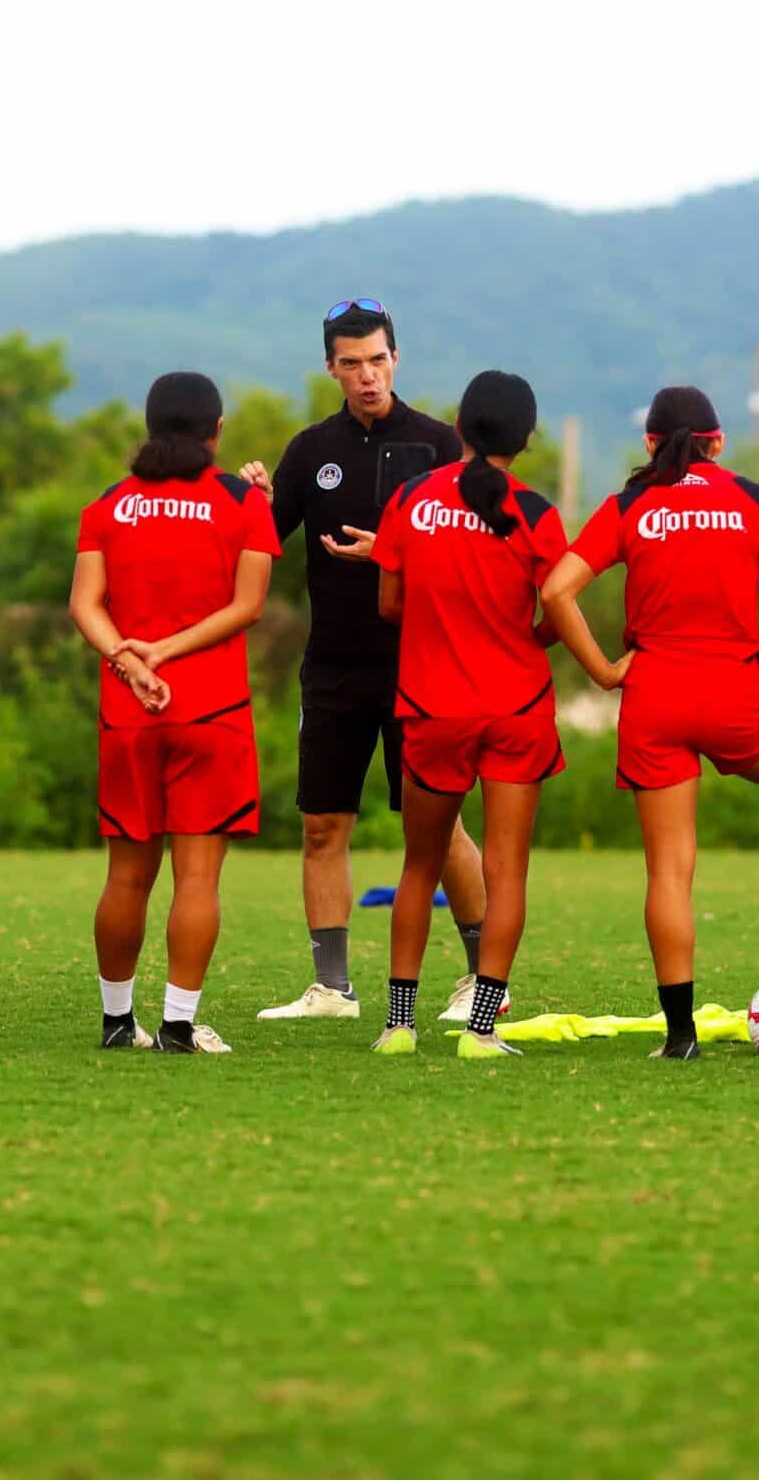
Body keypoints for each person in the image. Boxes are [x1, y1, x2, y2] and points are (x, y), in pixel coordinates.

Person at [540, 385, 759, 1058]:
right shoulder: (755, 500)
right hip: (736, 697)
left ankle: (680, 1037)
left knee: (670, 873)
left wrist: (602, 670)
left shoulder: (629, 504)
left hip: (654, 698)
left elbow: (557, 590)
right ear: (719, 441)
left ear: (650, 445)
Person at [247, 299, 492, 1025]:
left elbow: (479, 554)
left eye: (378, 359)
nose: (366, 375)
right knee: (323, 825)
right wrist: (249, 498)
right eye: (351, 362)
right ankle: (331, 988)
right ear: (331, 367)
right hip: (333, 668)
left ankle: (484, 980)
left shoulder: (442, 446)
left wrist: (391, 549)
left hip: (423, 666)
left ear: (397, 358)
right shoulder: (308, 449)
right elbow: (261, 538)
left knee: (438, 826)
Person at [365, 371, 580, 1058]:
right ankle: (482, 1028)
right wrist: (526, 636)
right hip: (516, 708)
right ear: (525, 439)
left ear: (459, 424)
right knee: (506, 872)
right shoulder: (538, 513)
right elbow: (559, 612)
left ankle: (399, 1025)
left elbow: (389, 606)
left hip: (432, 708)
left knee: (419, 867)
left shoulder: (411, 499)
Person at [70, 372, 277, 1053]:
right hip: (212, 711)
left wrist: (130, 662)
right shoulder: (244, 501)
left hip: (127, 715)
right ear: (216, 432)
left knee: (126, 874)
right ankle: (179, 1026)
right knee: (197, 876)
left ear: (151, 426)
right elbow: (247, 606)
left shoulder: (108, 504)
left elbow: (85, 607)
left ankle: (116, 1021)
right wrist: (165, 651)